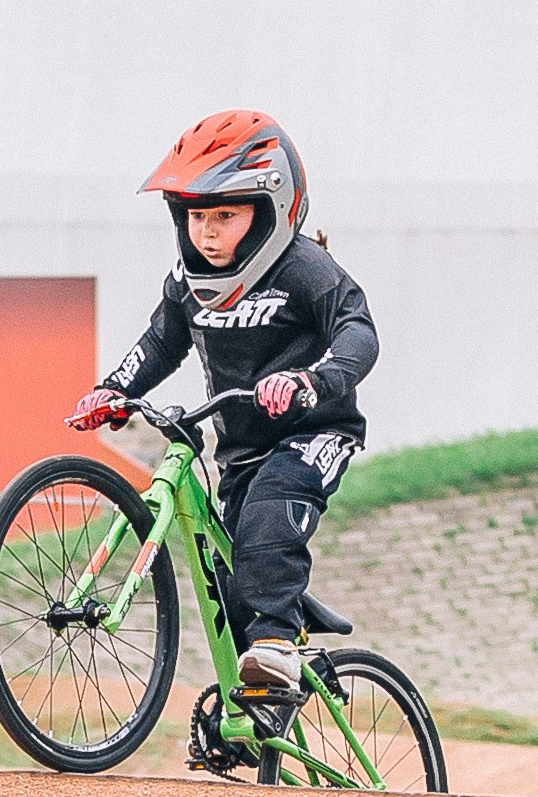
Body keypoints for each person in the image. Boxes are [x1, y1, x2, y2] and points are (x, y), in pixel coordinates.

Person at [70, 110, 378, 689]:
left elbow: (359, 334)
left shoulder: (306, 269)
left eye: (226, 215)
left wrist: (312, 380)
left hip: (313, 433)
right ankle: (256, 710)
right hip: (239, 448)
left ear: (271, 208)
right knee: (232, 581)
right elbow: (161, 343)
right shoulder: (189, 283)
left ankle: (278, 642)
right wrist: (114, 389)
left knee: (269, 517)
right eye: (196, 216)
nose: (206, 233)